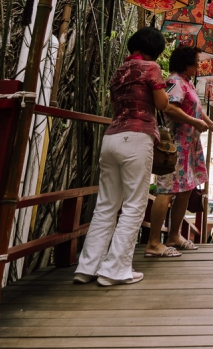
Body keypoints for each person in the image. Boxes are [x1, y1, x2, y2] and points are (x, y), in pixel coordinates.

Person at [74, 27, 169, 286]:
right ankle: (115, 269)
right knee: (134, 205)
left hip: (111, 138)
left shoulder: (119, 71)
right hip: (137, 137)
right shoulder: (150, 68)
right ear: (155, 49)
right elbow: (162, 105)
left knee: (106, 205)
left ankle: (87, 267)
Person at [145, 45, 213, 257]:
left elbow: (198, 111)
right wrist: (193, 121)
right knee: (167, 190)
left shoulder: (187, 83)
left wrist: (212, 126)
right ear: (186, 64)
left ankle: (174, 235)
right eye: (196, 62)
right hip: (175, 145)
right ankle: (153, 242)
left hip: (189, 145)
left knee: (186, 189)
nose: (198, 66)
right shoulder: (174, 82)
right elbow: (169, 107)